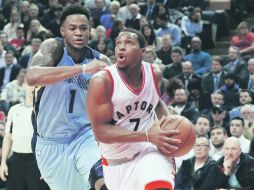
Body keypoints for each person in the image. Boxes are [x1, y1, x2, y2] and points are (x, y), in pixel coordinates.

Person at [25, 5, 109, 190]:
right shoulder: (54, 47)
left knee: (104, 178)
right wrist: (83, 69)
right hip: (50, 143)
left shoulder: (101, 61)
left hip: (84, 135)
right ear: (63, 31)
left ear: (90, 30)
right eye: (73, 28)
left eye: (83, 28)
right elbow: (31, 77)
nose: (79, 33)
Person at [86, 28, 181, 190]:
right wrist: (146, 135)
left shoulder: (154, 74)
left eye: (129, 43)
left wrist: (171, 125)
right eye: (118, 44)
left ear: (142, 51)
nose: (121, 47)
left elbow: (156, 102)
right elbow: (101, 132)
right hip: (116, 162)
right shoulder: (102, 81)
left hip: (150, 152)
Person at [0, 83, 50, 190]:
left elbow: (51, 140)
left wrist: (47, 166)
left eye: (38, 86)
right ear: (25, 86)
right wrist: (3, 162)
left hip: (37, 162)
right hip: (16, 161)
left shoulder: (46, 110)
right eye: (32, 84)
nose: (34, 88)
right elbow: (8, 137)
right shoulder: (14, 110)